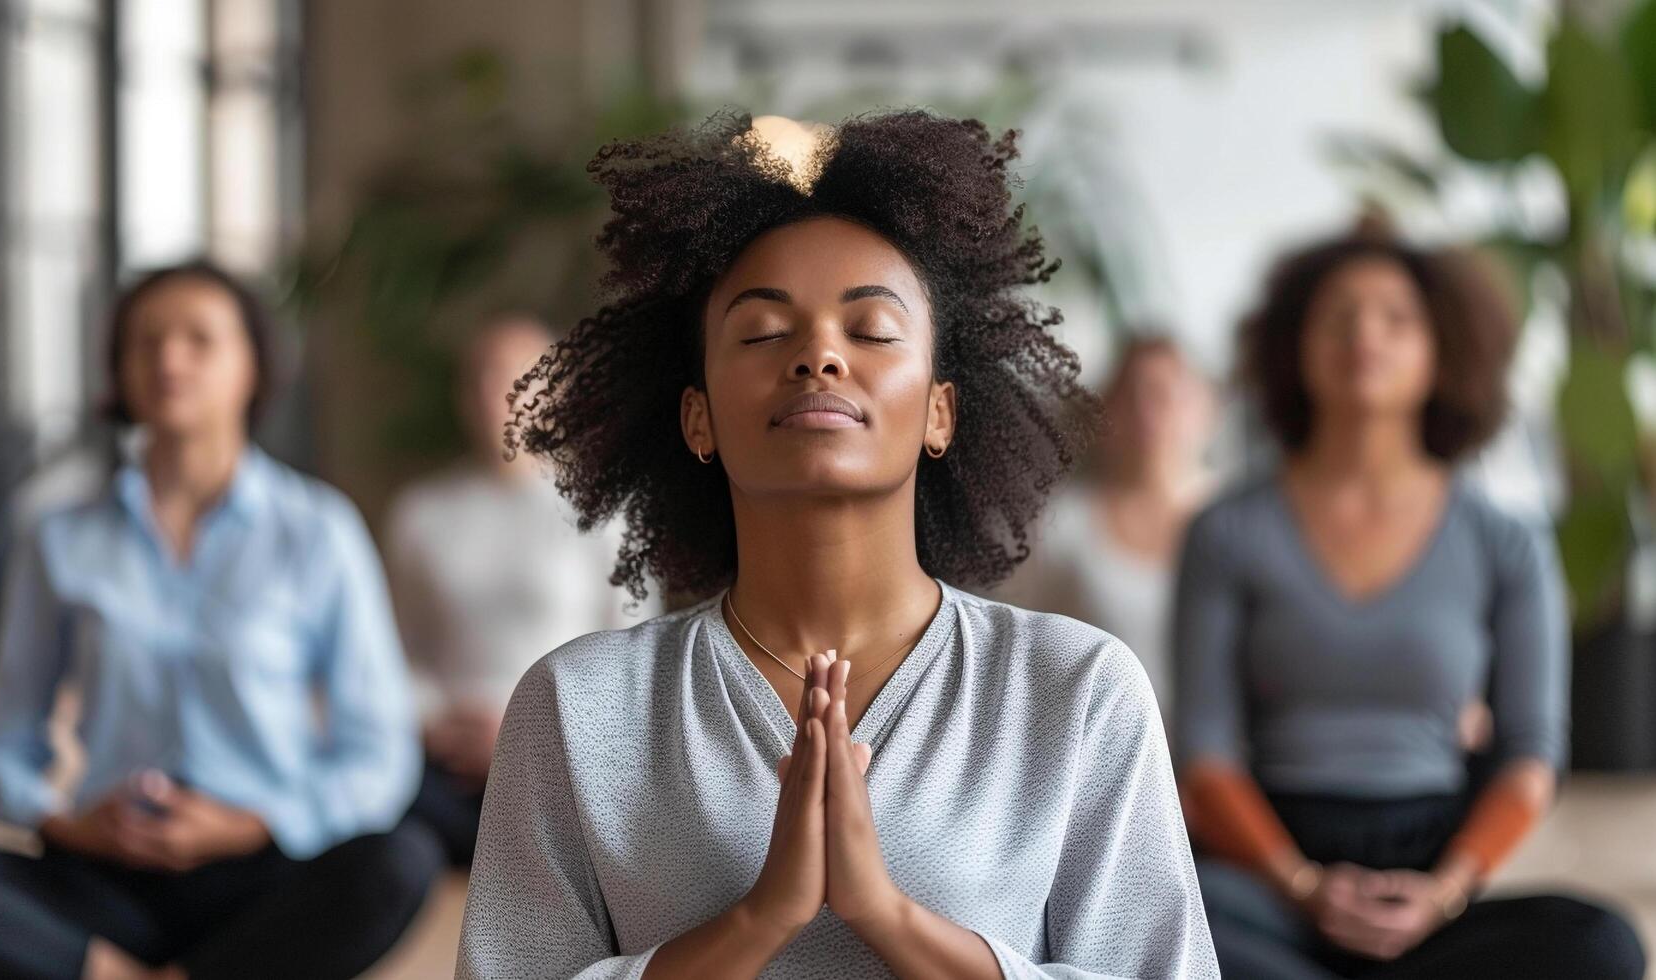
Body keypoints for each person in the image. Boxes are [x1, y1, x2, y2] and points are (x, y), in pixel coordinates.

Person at [454, 111, 1218, 979]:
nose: (818, 354)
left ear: (940, 411)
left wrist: (887, 917)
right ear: (696, 417)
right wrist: (759, 920)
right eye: (762, 332)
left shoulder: (1076, 692)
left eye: (871, 331)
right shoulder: (578, 707)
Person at [0, 262, 440, 980]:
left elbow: (379, 754)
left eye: (199, 339)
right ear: (118, 370)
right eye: (145, 341)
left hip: (261, 874)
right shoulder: (60, 537)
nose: (168, 359)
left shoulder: (317, 531)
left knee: (401, 860)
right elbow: (2, 745)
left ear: (253, 366)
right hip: (100, 873)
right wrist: (65, 819)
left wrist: (255, 824)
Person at [1174, 232, 1645, 979]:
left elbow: (1529, 755)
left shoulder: (1505, 541)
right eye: (1338, 318)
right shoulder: (1226, 532)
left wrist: (1444, 894)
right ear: (1293, 347)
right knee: (1150, 916)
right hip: (1271, 874)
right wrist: (1300, 886)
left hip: (1433, 874)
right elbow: (1204, 754)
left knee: (1600, 945)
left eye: (1396, 319)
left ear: (1441, 351)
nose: (1364, 335)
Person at [385, 313, 654, 867]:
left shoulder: (607, 514)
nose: (495, 395)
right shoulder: (421, 513)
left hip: (566, 751)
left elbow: (635, 656)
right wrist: (437, 723)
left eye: (516, 377)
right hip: (448, 757)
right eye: (480, 377)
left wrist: (521, 733)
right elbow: (398, 648)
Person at [991, 335, 1215, 720]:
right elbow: (1011, 651)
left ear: (1205, 409)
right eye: (1133, 397)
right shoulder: (1059, 526)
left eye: (1166, 394)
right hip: (1093, 750)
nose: (1149, 413)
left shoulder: (1238, 520)